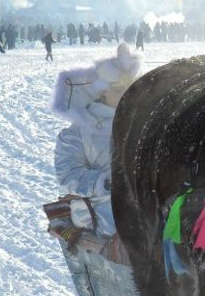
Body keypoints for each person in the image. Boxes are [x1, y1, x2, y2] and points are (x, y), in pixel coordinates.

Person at [51, 43, 142, 235]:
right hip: (100, 212)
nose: (126, 96)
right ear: (103, 91)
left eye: (131, 90)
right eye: (118, 90)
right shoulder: (77, 132)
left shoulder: (143, 123)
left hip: (145, 206)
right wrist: (105, 182)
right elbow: (68, 175)